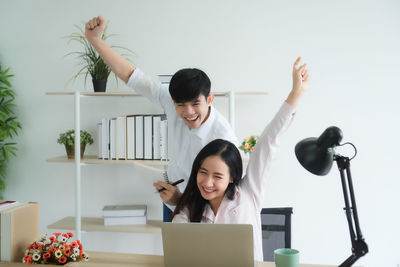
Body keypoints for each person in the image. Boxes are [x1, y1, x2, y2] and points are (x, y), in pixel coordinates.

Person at [84, 16, 238, 221]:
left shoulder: (223, 138)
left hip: (203, 210)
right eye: (180, 105)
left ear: (209, 99)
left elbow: (225, 196)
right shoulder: (169, 99)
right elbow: (131, 75)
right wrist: (95, 40)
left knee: (196, 253)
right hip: (172, 197)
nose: (188, 112)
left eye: (195, 104)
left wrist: (181, 200)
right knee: (173, 253)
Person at [171, 57, 310, 262]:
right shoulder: (191, 207)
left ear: (232, 177)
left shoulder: (248, 193)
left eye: (217, 176)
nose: (207, 183)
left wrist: (295, 94)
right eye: (203, 172)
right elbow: (178, 245)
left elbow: (268, 141)